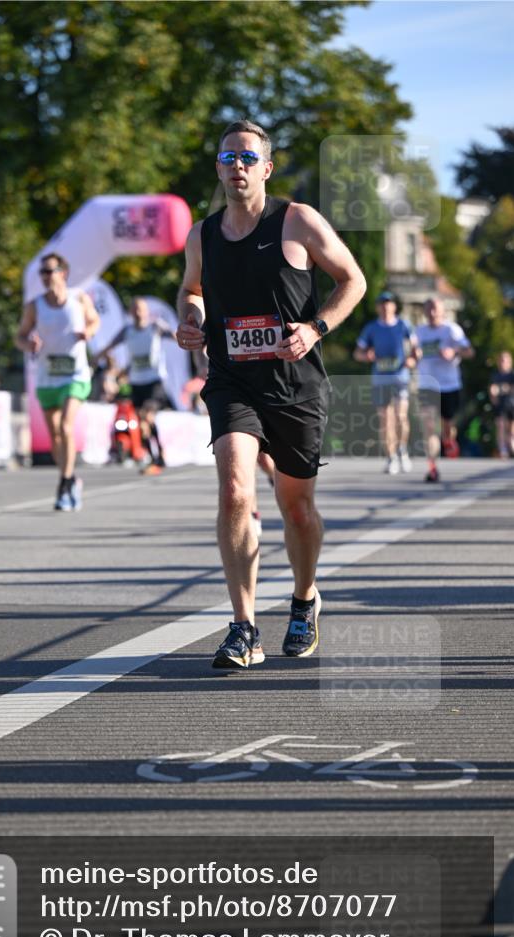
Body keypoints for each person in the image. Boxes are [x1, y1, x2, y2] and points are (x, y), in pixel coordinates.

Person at [176, 119, 366, 668]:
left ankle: (305, 598)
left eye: (248, 158)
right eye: (228, 157)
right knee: (236, 490)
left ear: (267, 168)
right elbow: (191, 289)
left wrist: (315, 329)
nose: (238, 166)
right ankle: (243, 627)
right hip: (233, 378)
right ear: (218, 167)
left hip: (294, 384)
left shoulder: (297, 221)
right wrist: (191, 318)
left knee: (296, 507)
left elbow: (352, 280)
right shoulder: (203, 234)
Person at [16, 252, 99, 510]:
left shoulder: (79, 299)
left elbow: (94, 320)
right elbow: (19, 336)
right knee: (54, 435)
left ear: (63, 273)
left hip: (75, 374)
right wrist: (28, 343)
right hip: (47, 375)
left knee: (65, 426)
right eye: (41, 272)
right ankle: (72, 477)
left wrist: (88, 332)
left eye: (49, 271)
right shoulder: (34, 305)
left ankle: (63, 484)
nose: (44, 276)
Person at [93, 296, 172, 473]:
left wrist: (195, 342)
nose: (138, 313)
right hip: (137, 383)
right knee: (141, 422)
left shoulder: (155, 327)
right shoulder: (126, 331)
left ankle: (156, 458)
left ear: (147, 312)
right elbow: (109, 347)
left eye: (141, 309)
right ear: (130, 312)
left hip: (154, 381)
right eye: (135, 309)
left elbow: (177, 337)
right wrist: (98, 358)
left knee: (146, 417)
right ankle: (157, 455)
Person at [354, 291, 417, 474]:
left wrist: (412, 360)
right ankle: (391, 458)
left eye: (388, 303)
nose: (385, 306)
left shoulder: (404, 325)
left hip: (400, 377)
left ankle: (402, 450)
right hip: (380, 379)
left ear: (394, 306)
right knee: (385, 420)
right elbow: (357, 353)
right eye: (382, 303)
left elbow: (415, 350)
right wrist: (366, 356)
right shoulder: (371, 328)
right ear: (378, 307)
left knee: (401, 416)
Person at [416, 297, 474, 482]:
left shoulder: (452, 330)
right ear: (424, 312)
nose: (432, 313)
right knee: (429, 428)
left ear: (442, 311)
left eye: (436, 309)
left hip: (449, 385)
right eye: (429, 309)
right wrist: (412, 357)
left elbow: (469, 351)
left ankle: (448, 440)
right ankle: (432, 468)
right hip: (427, 385)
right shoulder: (418, 331)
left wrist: (454, 352)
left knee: (447, 427)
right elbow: (411, 355)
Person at [489, 350, 514, 458]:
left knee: (511, 427)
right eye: (501, 360)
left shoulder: (512, 374)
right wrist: (494, 396)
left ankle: (511, 444)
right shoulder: (496, 375)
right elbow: (492, 390)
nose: (503, 363)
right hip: (500, 404)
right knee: (500, 425)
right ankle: (502, 448)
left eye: (505, 360)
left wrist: (503, 388)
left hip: (511, 404)